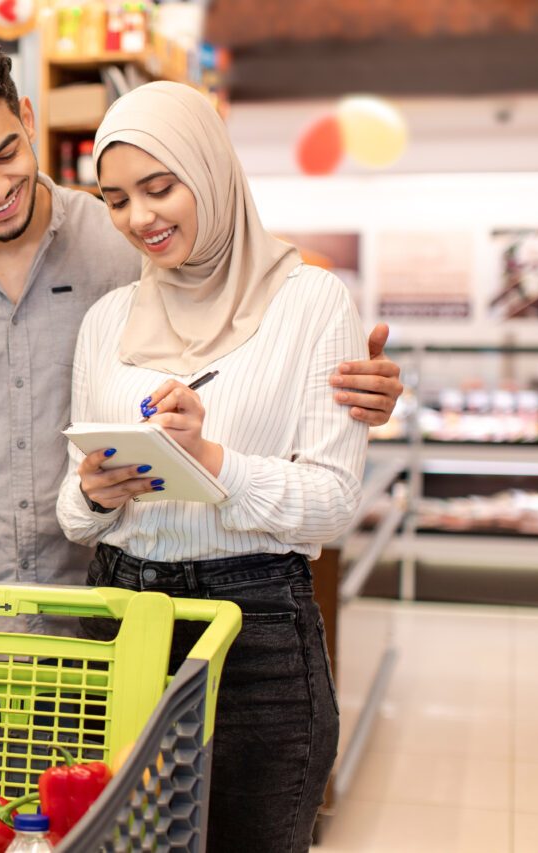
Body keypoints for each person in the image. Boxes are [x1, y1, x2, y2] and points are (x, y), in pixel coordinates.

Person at [0, 38, 402, 627]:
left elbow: (231, 316)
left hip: (98, 616)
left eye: (6, 153)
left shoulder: (126, 243)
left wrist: (347, 386)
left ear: (28, 119)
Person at [58, 81, 366, 851]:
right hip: (119, 615)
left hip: (254, 630)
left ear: (210, 169)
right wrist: (95, 493)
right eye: (116, 199)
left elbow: (333, 502)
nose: (140, 217)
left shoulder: (313, 305)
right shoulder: (106, 321)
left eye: (160, 187)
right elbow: (72, 511)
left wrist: (211, 462)